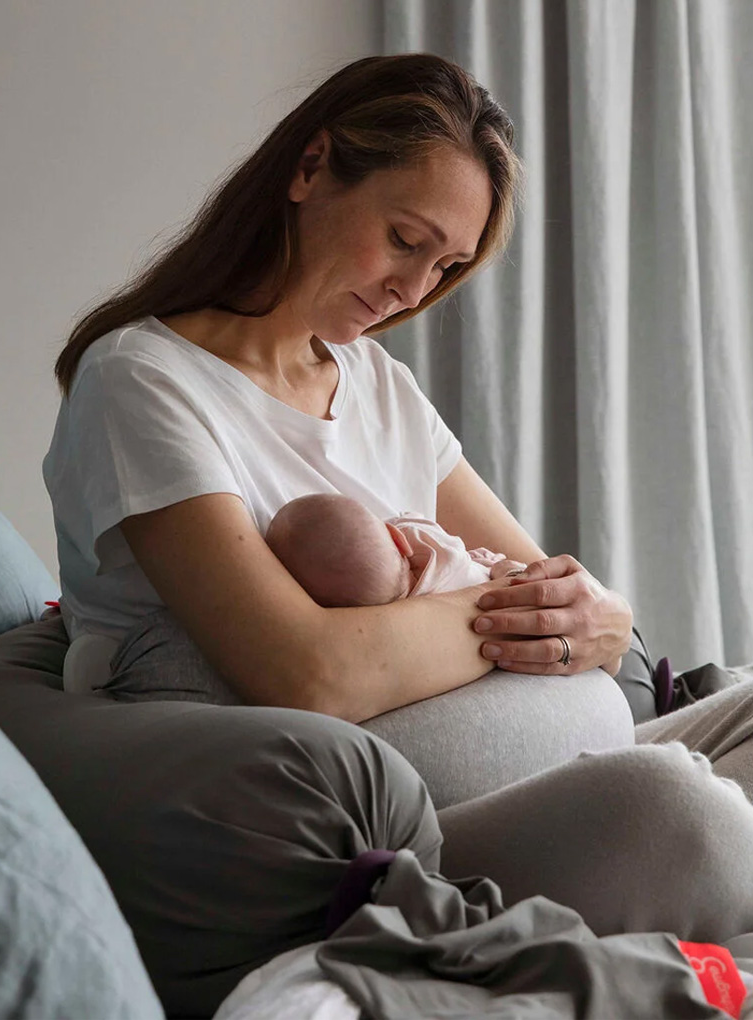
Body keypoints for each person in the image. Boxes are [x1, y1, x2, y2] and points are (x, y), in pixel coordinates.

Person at [42, 52, 753, 1014]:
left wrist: (605, 613)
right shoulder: (144, 380)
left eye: (446, 265)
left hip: (563, 758)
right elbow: (306, 674)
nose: (413, 290)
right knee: (682, 816)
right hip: (404, 843)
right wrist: (513, 613)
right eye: (402, 239)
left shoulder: (374, 380)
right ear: (310, 170)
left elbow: (564, 596)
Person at [264, 491, 528, 609]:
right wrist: (497, 567)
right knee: (516, 576)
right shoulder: (423, 538)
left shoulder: (404, 623)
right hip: (501, 587)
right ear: (397, 537)